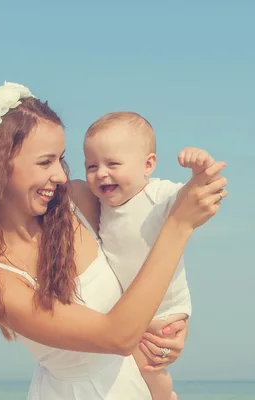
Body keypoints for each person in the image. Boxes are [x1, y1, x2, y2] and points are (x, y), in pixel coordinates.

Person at [0, 82, 227, 400]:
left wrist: (171, 322)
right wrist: (180, 224)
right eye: (45, 162)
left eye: (60, 158)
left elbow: (141, 241)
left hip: (140, 383)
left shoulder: (79, 202)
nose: (62, 175)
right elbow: (118, 336)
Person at [83, 112, 214, 400]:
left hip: (165, 306)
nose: (101, 173)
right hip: (134, 309)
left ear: (148, 165)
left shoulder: (157, 194)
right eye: (91, 166)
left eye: (113, 164)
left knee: (147, 363)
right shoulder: (102, 205)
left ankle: (163, 395)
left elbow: (194, 197)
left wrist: (200, 169)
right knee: (132, 362)